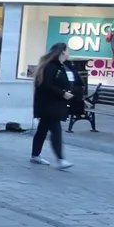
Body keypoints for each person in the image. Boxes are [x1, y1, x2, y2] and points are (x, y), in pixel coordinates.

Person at [31, 41, 77, 170]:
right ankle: (60, 159)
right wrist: (63, 93)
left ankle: (35, 155)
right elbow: (46, 85)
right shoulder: (51, 66)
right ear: (62, 51)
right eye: (67, 50)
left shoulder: (62, 66)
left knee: (42, 130)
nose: (69, 53)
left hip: (54, 103)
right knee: (56, 130)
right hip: (49, 104)